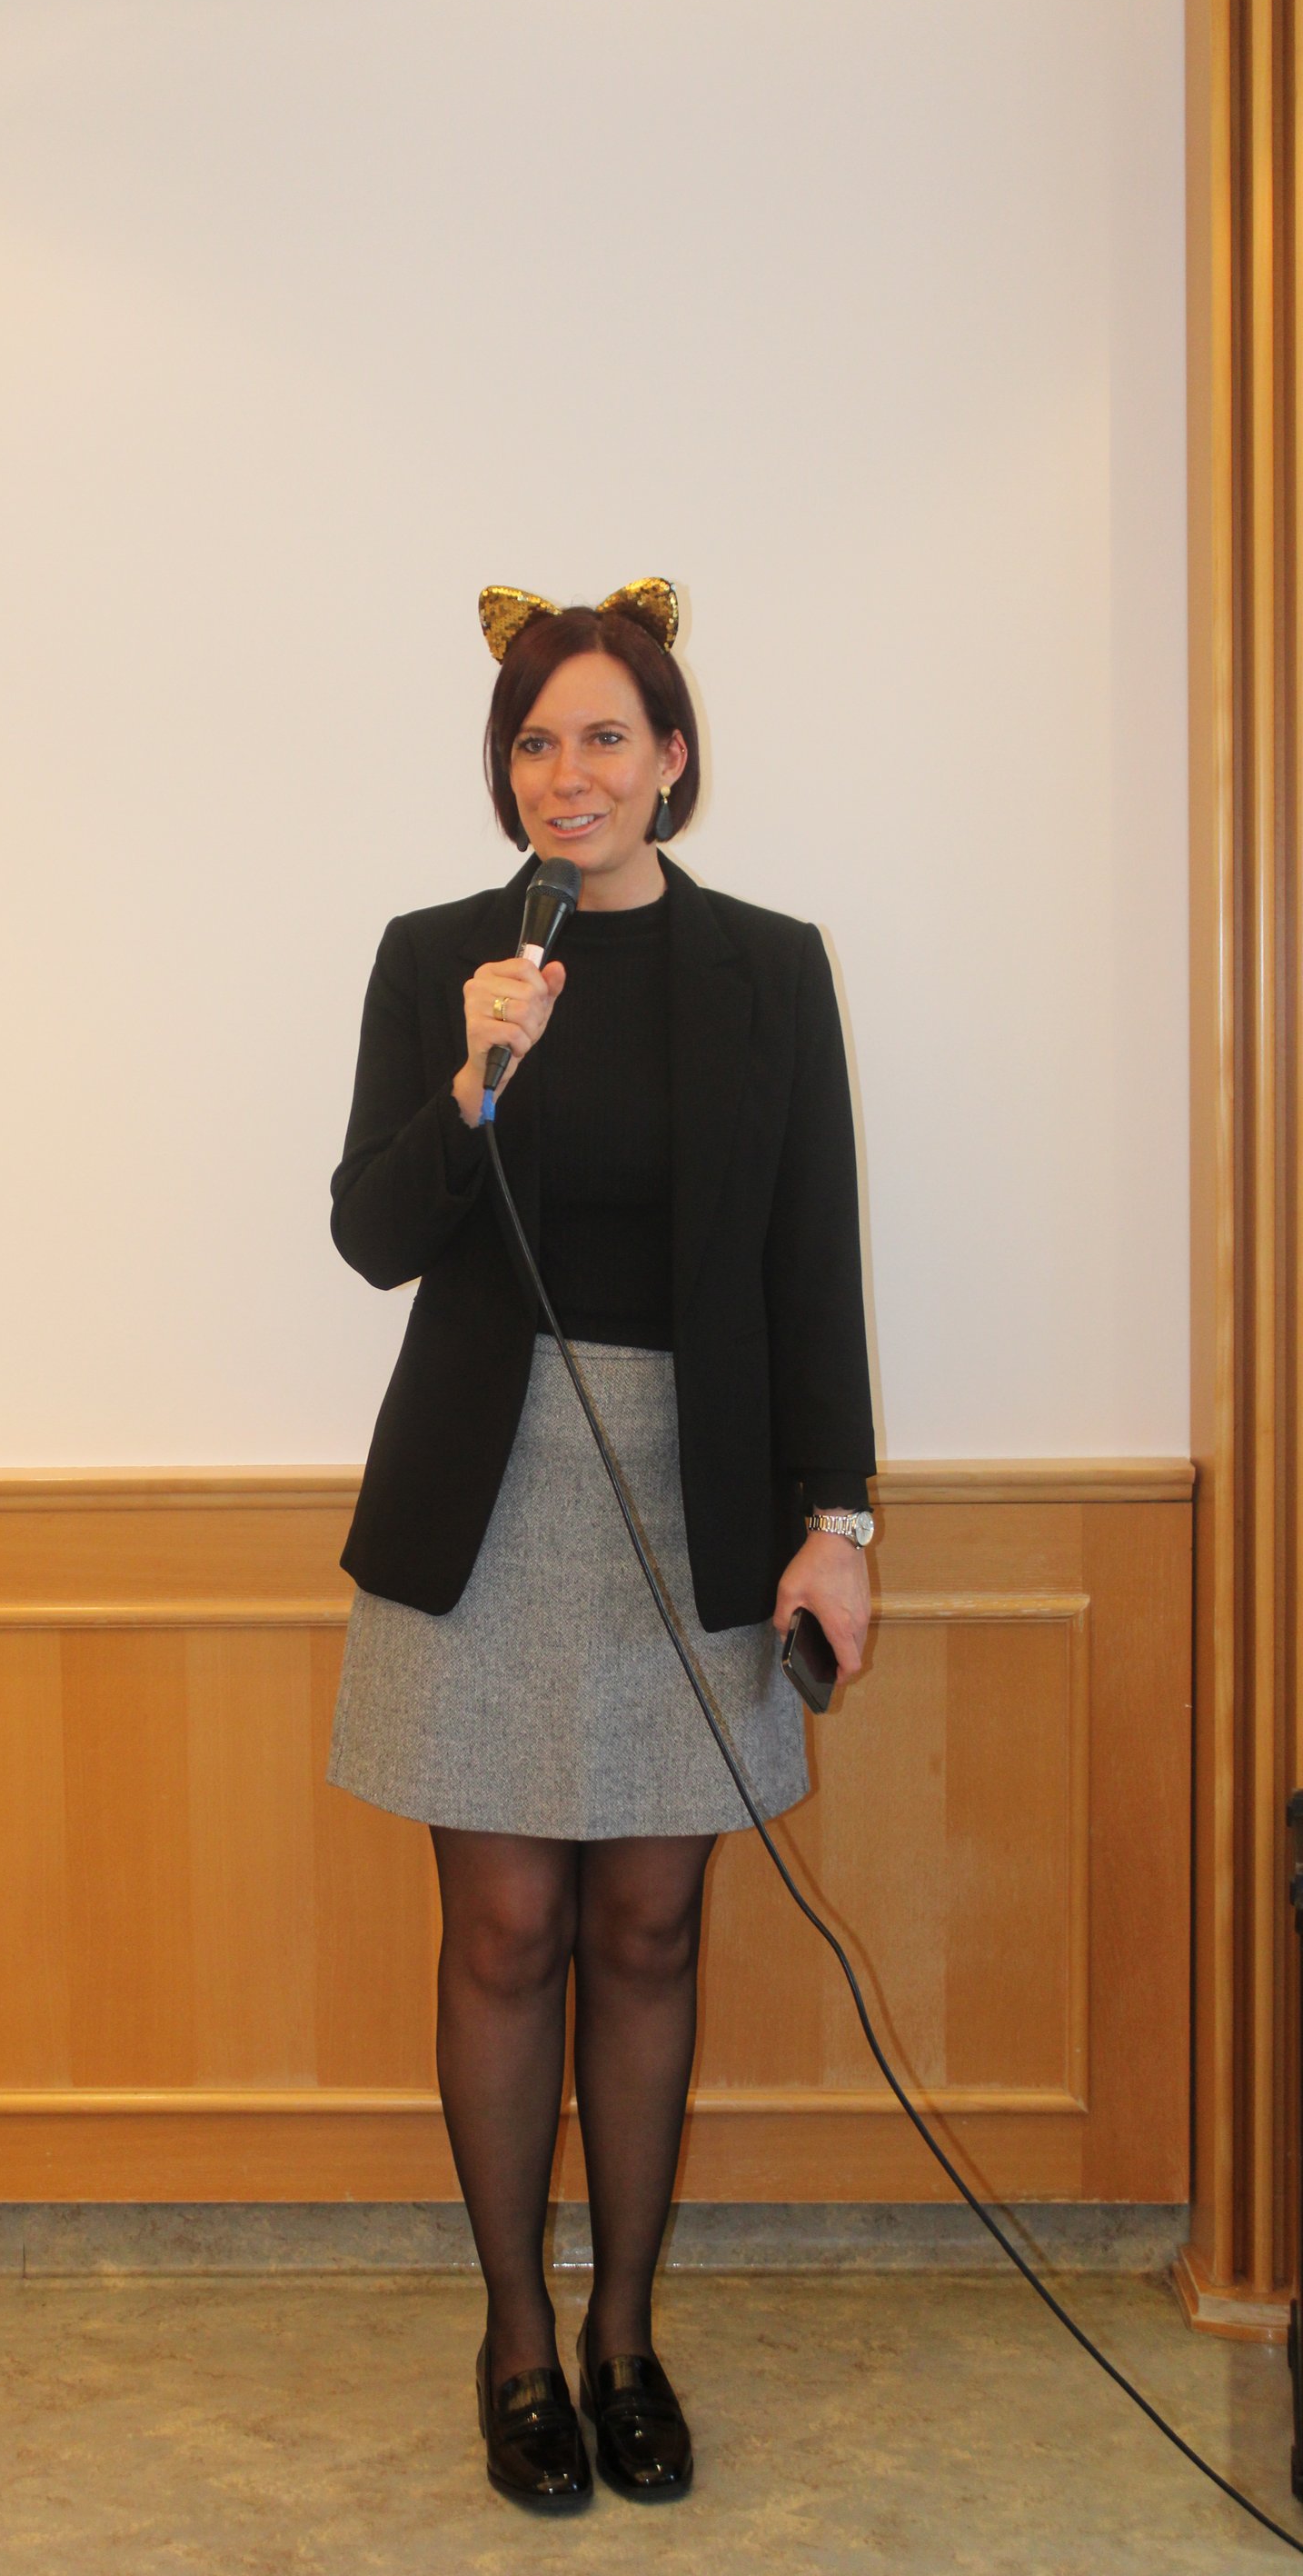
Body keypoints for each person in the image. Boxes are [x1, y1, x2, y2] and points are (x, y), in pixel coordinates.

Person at [326, 579, 876, 2509]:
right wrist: (476, 1077)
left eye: (606, 737)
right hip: (487, 1493)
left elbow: (813, 1258)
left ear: (673, 758)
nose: (570, 772)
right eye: (536, 742)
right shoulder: (439, 960)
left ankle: (626, 2338)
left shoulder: (770, 970)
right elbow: (372, 1237)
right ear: (507, 771)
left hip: (694, 1488)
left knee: (649, 1929)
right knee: (506, 1933)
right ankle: (513, 2342)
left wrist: (836, 1522)